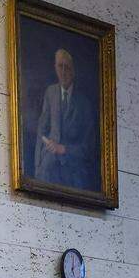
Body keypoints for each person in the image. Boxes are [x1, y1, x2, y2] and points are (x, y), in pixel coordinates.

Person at [32, 47, 97, 190]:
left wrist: (64, 149)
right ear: (55, 68)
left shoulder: (84, 104)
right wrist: (38, 165)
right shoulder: (50, 93)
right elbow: (41, 130)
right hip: (48, 168)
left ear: (73, 71)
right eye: (60, 66)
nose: (63, 72)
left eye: (67, 67)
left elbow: (89, 148)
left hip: (73, 170)